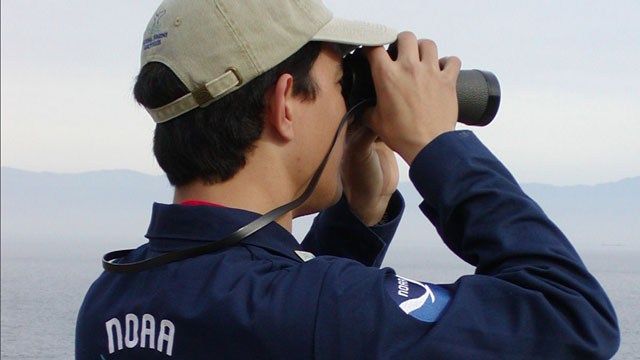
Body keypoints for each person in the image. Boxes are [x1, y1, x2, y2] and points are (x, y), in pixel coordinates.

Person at [76, 0, 620, 358]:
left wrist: (356, 219)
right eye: (344, 81)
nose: (352, 107)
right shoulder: (312, 304)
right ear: (285, 102)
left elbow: (283, 318)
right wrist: (438, 148)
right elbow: (574, 319)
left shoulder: (109, 302)